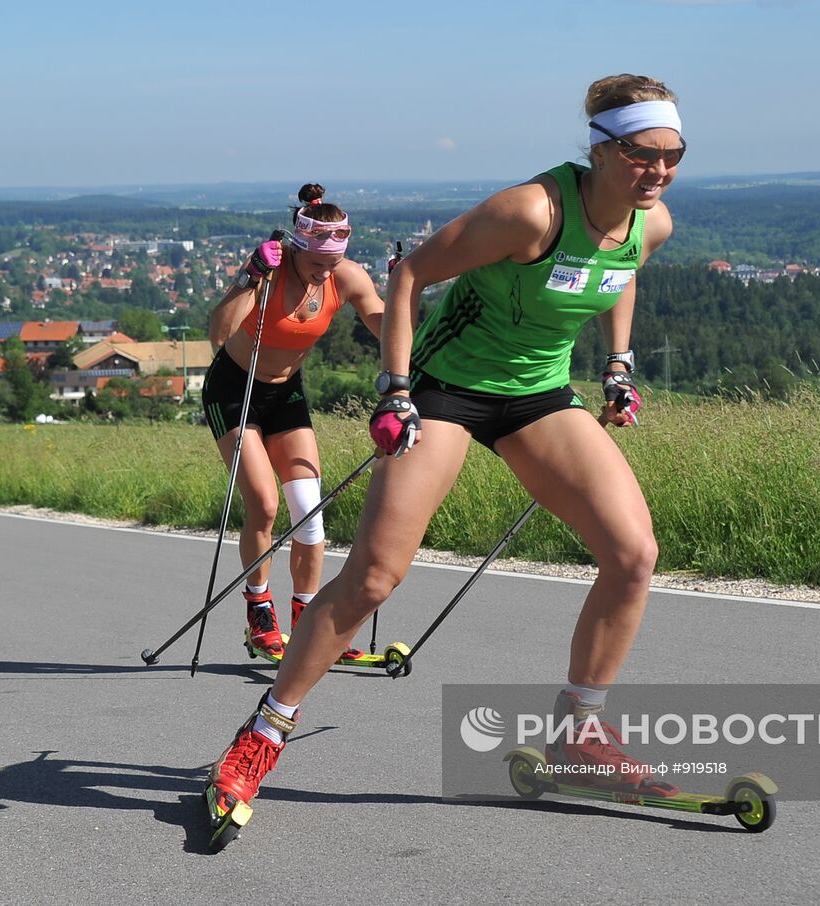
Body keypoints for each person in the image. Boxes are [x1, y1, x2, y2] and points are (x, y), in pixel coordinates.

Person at [205, 74, 686, 843]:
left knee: (633, 553)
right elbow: (411, 275)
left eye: (673, 155)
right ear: (601, 149)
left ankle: (580, 736)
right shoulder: (532, 210)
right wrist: (396, 389)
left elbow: (619, 274)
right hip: (446, 392)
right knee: (372, 578)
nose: (658, 171)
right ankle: (264, 731)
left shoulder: (649, 221)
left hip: (539, 398)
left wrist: (619, 364)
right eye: (642, 155)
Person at [204, 183, 385, 661]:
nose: (322, 275)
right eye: (314, 265)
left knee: (308, 512)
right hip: (234, 387)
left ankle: (309, 626)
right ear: (296, 248)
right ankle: (259, 613)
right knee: (263, 505)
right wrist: (250, 277)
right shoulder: (268, 270)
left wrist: (408, 300)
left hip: (285, 393)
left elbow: (382, 323)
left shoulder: (345, 276)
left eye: (331, 265)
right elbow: (218, 334)